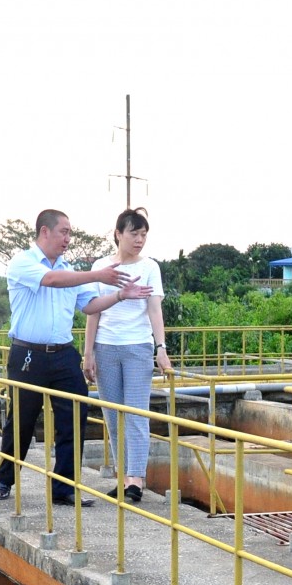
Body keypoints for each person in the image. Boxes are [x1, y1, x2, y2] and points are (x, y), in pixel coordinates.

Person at [0, 210, 149, 505]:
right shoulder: (23, 262)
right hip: (28, 354)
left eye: (70, 233)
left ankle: (64, 487)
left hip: (63, 354)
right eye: (63, 232)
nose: (68, 238)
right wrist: (97, 275)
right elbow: (51, 280)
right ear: (45, 232)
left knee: (74, 419)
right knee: (22, 421)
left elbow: (90, 306)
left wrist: (120, 295)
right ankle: (5, 480)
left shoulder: (71, 271)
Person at [82, 208, 173, 505]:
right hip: (106, 347)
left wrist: (161, 348)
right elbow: (93, 312)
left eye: (144, 234)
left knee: (135, 414)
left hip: (137, 347)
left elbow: (155, 310)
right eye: (134, 233)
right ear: (118, 234)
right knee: (113, 416)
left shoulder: (150, 267)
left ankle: (136, 479)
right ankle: (124, 478)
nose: (139, 239)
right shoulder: (101, 267)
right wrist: (88, 353)